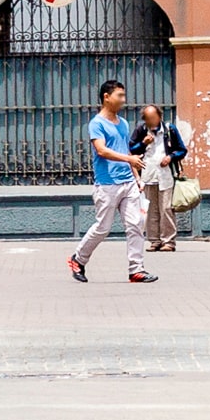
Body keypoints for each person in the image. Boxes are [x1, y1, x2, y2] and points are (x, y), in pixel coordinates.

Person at [68, 80, 155, 284]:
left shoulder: (123, 123)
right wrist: (130, 160)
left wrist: (136, 177)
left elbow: (126, 151)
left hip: (128, 183)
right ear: (106, 97)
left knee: (136, 225)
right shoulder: (96, 123)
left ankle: (136, 270)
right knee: (103, 228)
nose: (123, 100)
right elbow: (102, 150)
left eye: (124, 95)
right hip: (107, 184)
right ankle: (78, 259)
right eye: (119, 95)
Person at [140, 100, 189, 251]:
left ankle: (168, 241)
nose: (151, 122)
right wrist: (143, 143)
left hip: (166, 176)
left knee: (166, 208)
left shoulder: (170, 130)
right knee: (151, 210)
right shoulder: (141, 130)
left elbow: (182, 150)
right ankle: (154, 240)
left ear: (159, 117)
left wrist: (171, 157)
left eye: (153, 118)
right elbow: (132, 149)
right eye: (148, 119)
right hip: (148, 176)